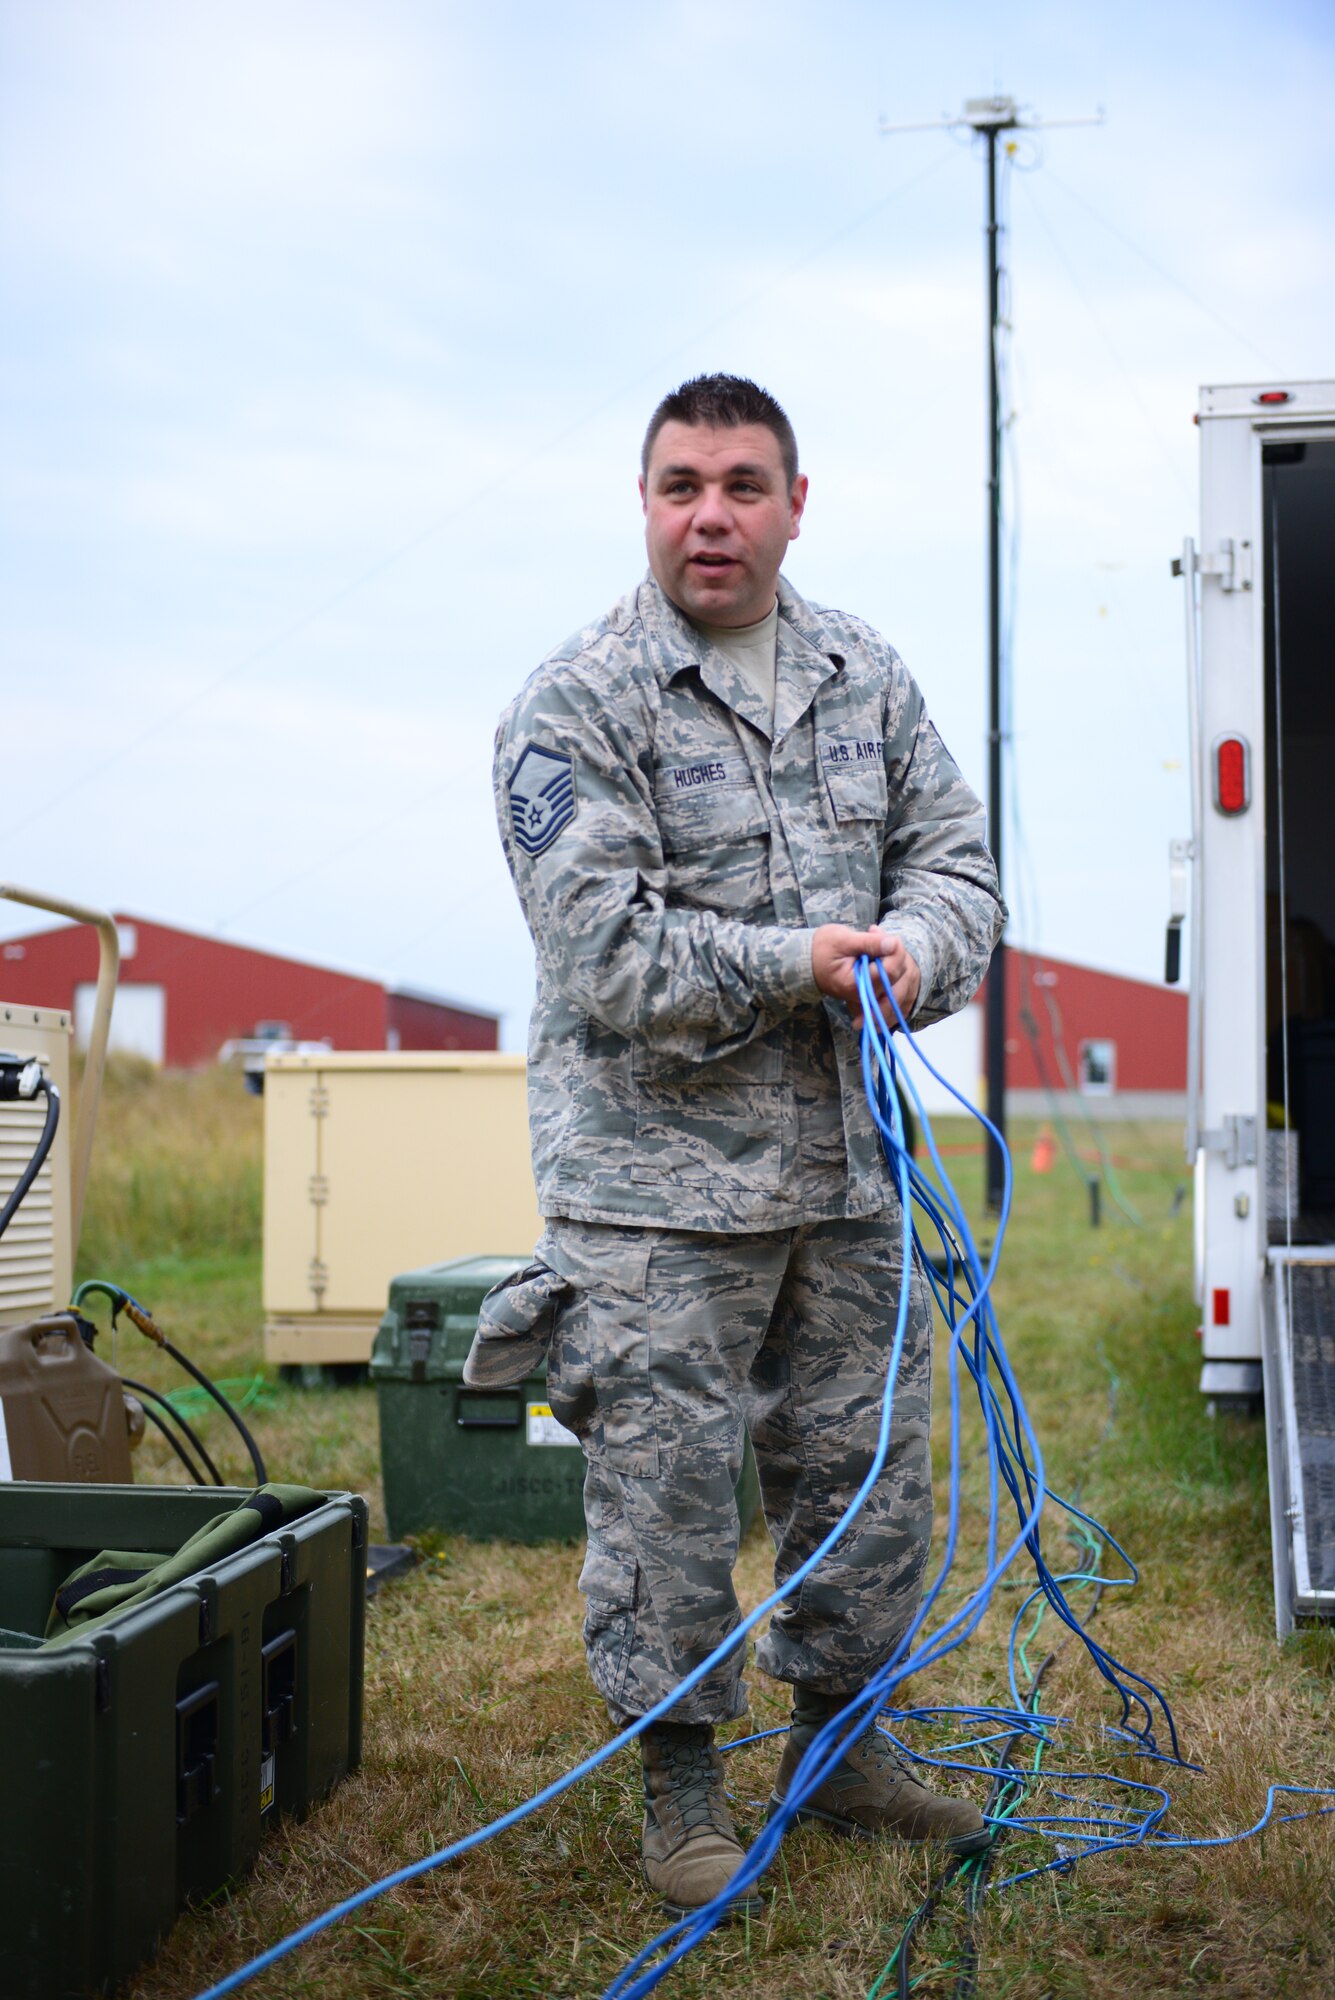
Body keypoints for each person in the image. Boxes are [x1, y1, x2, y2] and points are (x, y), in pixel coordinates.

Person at [466, 373, 1005, 1919]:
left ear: (794, 502)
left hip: (847, 1171)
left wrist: (916, 944)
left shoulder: (865, 673)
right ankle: (682, 1786)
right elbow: (607, 957)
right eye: (684, 484)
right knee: (667, 1498)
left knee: (864, 1483)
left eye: (745, 484)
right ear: (645, 503)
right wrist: (804, 959)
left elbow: (960, 868)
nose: (714, 514)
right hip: (655, 1196)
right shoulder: (574, 703)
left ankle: (840, 1751)